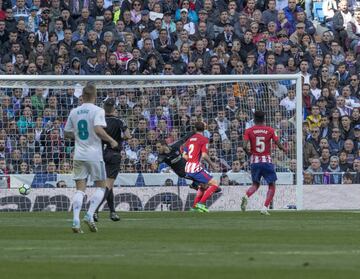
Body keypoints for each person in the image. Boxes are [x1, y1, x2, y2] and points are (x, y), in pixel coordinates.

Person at [64, 84, 118, 233]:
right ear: (94, 96)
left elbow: (66, 133)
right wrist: (111, 140)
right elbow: (98, 130)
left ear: (83, 96)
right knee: (101, 186)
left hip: (79, 155)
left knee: (80, 190)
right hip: (94, 155)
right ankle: (89, 214)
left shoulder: (74, 112)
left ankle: (75, 220)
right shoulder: (98, 110)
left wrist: (78, 136)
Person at [240, 111, 286, 215]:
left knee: (255, 184)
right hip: (266, 161)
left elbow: (243, 145)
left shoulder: (249, 130)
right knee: (272, 184)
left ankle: (246, 195)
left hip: (254, 161)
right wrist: (284, 149)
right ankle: (264, 208)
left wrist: (249, 153)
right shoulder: (270, 130)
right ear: (264, 119)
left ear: (254, 119)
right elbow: (278, 144)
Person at [93, 98, 132, 223]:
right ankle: (94, 210)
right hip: (114, 154)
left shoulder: (99, 121)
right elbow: (128, 136)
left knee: (107, 185)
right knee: (108, 185)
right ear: (114, 108)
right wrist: (119, 139)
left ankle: (112, 212)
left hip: (100, 154)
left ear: (103, 108)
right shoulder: (119, 121)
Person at [183, 122, 220, 212]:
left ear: (195, 129)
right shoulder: (204, 139)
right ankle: (201, 203)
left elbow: (184, 155)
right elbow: (204, 155)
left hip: (188, 167)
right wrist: (212, 165)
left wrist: (191, 161)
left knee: (203, 186)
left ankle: (195, 207)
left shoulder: (189, 139)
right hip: (195, 168)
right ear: (205, 129)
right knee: (215, 184)